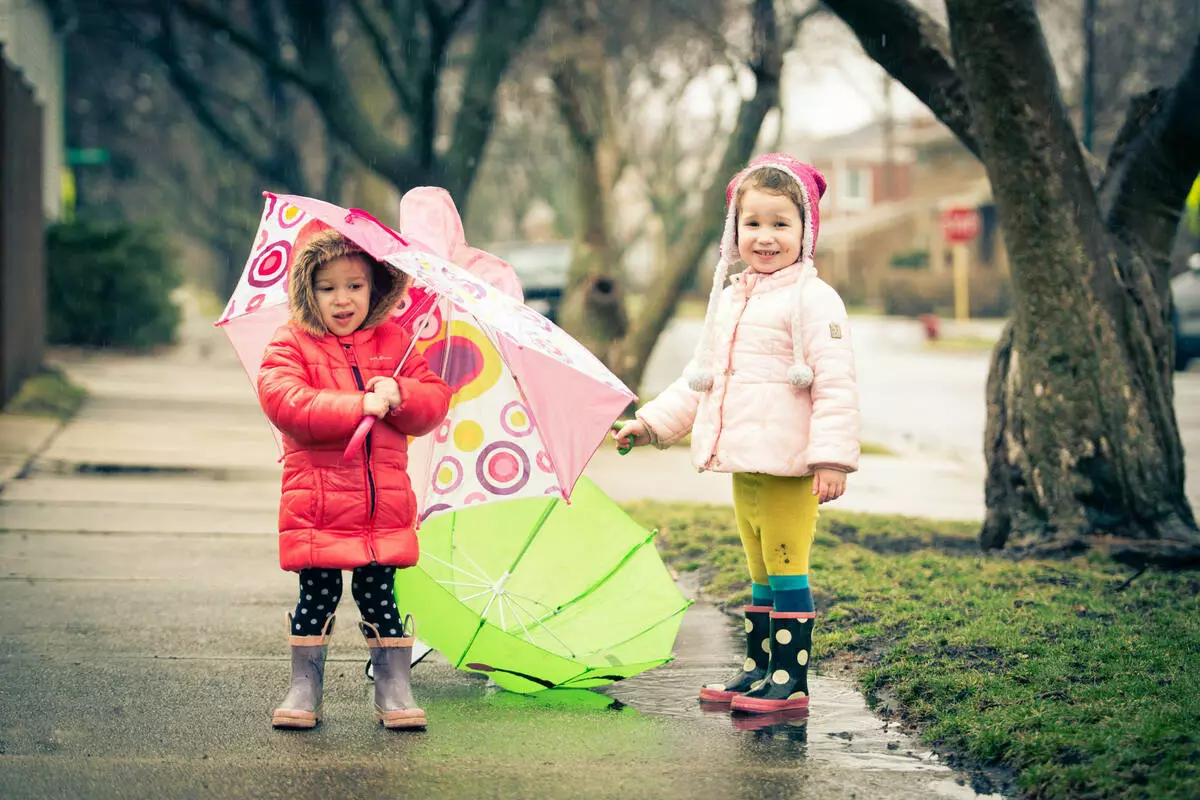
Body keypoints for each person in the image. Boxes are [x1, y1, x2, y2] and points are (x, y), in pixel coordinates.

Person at [613, 154, 860, 714]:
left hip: (790, 466)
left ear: (806, 231)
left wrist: (832, 459)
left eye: (781, 224)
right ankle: (759, 669)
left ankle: (791, 682)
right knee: (760, 571)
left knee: (787, 565)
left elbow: (838, 384)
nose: (765, 237)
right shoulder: (731, 298)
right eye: (753, 224)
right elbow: (699, 379)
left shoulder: (815, 300)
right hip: (746, 466)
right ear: (734, 230)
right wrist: (650, 424)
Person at [257, 229, 452, 730]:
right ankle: (305, 686)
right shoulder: (291, 342)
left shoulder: (397, 342)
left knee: (379, 596)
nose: (342, 299)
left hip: (379, 504)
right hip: (317, 501)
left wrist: (400, 392)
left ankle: (393, 686)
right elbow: (286, 402)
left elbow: (431, 402)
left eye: (355, 286)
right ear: (307, 291)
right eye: (327, 288)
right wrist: (357, 404)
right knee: (316, 594)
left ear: (377, 287)